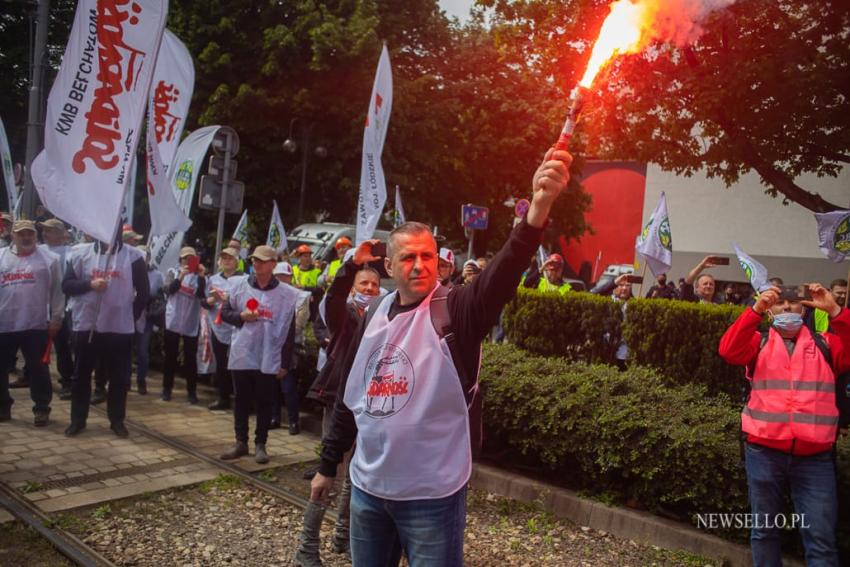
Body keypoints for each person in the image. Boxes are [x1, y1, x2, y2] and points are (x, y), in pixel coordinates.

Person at [311, 147, 572, 566]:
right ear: (390, 267)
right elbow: (349, 398)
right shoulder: (372, 314)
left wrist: (538, 209)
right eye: (409, 257)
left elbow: (501, 275)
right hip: (367, 491)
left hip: (431, 498)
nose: (420, 265)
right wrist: (328, 466)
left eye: (428, 256)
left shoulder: (457, 311)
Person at [718, 284, 846, 566]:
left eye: (793, 303)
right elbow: (728, 350)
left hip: (815, 458)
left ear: (804, 308)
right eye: (779, 304)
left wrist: (835, 310)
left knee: (821, 539)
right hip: (764, 453)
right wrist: (754, 311)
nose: (786, 308)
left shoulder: (826, 344)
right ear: (770, 311)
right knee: (764, 532)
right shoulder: (758, 342)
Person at [295, 243, 382, 567]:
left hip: (369, 404)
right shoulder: (343, 315)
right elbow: (332, 300)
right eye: (364, 284)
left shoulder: (382, 317)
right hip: (339, 401)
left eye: (374, 285)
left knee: (354, 473)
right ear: (354, 289)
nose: (370, 289)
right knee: (328, 470)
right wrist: (349, 269)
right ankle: (307, 546)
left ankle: (342, 536)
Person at [219, 246, 299, 464]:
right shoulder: (238, 285)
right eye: (255, 260)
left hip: (269, 353)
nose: (258, 264)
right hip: (243, 351)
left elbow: (289, 331)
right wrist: (241, 316)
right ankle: (240, 441)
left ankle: (260, 443)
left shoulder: (287, 294)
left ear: (273, 264)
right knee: (241, 399)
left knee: (265, 400)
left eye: (263, 261)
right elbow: (225, 313)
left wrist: (285, 362)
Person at [63, 236, 149, 437]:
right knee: (81, 375)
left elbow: (143, 292)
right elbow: (66, 285)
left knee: (119, 377)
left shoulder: (133, 255)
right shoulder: (80, 252)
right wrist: (89, 285)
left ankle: (117, 420)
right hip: (87, 324)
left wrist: (130, 315)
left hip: (119, 327)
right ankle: (78, 420)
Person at [0, 220, 64, 426]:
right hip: (4, 324)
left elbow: (57, 291)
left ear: (36, 236)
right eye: (21, 234)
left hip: (36, 324)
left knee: (39, 370)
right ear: (13, 236)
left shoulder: (50, 259)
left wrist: (57, 318)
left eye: (30, 234)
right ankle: (3, 407)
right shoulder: (0, 257)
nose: (26, 237)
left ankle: (41, 408)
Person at [270, 261, 310, 434]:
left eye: (284, 276)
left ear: (290, 277)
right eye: (278, 276)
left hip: (291, 347)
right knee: (273, 385)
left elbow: (299, 324)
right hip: (272, 345)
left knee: (288, 386)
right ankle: (274, 417)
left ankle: (294, 421)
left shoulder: (301, 297)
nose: (281, 280)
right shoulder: (270, 295)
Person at [162, 246, 206, 403]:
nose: (188, 261)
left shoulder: (200, 277)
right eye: (185, 258)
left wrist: (201, 276)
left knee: (190, 359)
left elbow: (201, 295)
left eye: (191, 258)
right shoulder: (173, 272)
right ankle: (166, 389)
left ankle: (192, 392)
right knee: (170, 357)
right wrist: (180, 276)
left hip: (190, 321)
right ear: (180, 259)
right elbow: (168, 290)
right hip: (172, 320)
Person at [204, 247, 245, 410]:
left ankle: (243, 401)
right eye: (224, 258)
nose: (227, 261)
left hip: (237, 328)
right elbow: (203, 301)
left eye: (230, 258)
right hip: (218, 327)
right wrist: (210, 301)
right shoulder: (212, 279)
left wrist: (228, 299)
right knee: (222, 365)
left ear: (236, 261)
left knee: (239, 366)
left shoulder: (244, 279)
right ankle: (223, 398)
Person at [39, 218, 75, 399]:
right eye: (44, 230)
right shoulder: (39, 250)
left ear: (61, 234)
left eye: (50, 230)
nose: (45, 233)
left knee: (62, 346)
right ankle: (31, 375)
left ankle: (67, 380)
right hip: (39, 305)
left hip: (61, 306)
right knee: (36, 345)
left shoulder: (70, 253)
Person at [134, 245, 164, 395]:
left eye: (144, 256)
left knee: (142, 351)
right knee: (126, 349)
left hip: (146, 317)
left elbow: (160, 296)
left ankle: (141, 380)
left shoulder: (157, 275)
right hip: (129, 315)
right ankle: (124, 380)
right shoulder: (128, 270)